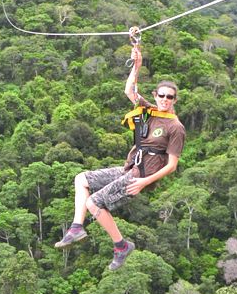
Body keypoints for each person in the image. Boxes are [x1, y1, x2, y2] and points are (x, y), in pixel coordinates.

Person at [54, 45, 185, 269]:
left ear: (175, 100)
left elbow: (172, 165)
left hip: (141, 175)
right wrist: (137, 65)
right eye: (161, 95)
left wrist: (144, 182)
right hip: (130, 168)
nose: (165, 99)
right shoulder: (150, 111)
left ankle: (121, 245)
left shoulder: (176, 127)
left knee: (94, 203)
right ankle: (76, 228)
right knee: (81, 179)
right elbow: (129, 91)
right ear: (156, 95)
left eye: (169, 97)